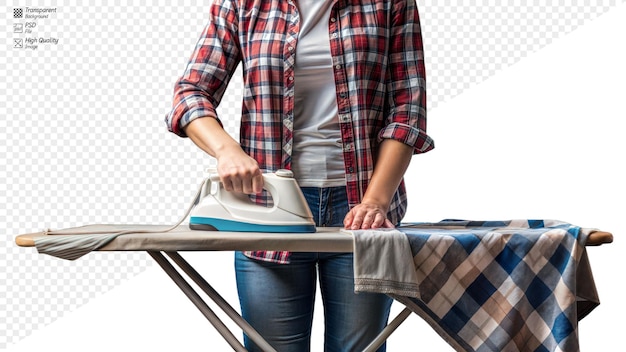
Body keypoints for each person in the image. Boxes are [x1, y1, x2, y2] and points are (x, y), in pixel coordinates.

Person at [165, 0, 434, 350]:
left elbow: (407, 111)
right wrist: (226, 150)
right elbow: (190, 93)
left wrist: (376, 201)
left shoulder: (389, 3)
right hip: (269, 211)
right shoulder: (242, 4)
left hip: (362, 210)